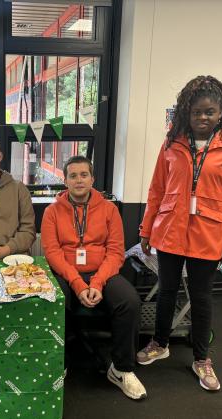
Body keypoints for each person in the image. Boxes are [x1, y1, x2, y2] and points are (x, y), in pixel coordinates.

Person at [137, 75, 222, 391]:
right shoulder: (171, 144)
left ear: (221, 112)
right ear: (186, 112)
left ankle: (201, 359)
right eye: (197, 112)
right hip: (170, 230)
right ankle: (159, 343)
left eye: (210, 112)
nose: (203, 118)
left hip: (209, 234)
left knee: (201, 298)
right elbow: (157, 188)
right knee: (167, 291)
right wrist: (146, 228)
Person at [41, 156, 146, 400]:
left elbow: (116, 251)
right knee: (54, 300)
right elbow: (53, 253)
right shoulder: (51, 211)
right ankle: (60, 363)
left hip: (103, 271)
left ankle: (121, 369)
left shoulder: (109, 209)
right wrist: (78, 284)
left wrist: (97, 282)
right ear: (65, 180)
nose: (79, 180)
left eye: (84, 175)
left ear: (92, 179)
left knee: (129, 301)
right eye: (73, 176)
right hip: (66, 272)